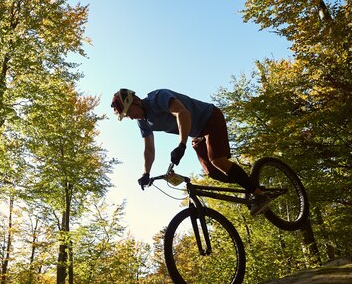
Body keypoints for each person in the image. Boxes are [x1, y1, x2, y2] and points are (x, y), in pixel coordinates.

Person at [111, 88, 271, 216]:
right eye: (126, 116)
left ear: (136, 101)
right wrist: (146, 173)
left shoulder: (157, 97)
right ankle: (250, 185)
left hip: (210, 117)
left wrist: (181, 145)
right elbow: (149, 148)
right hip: (198, 133)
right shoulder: (143, 122)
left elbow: (182, 113)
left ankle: (259, 195)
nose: (130, 117)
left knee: (217, 160)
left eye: (129, 112)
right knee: (212, 172)